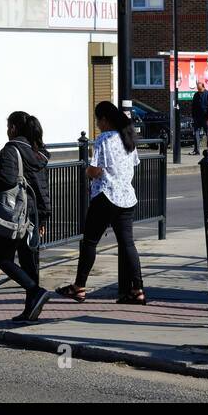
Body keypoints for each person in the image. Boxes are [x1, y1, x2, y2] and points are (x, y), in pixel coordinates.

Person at [56, 101, 146, 308]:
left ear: (104, 119)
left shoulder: (104, 139)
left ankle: (79, 287)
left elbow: (96, 170)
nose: (97, 125)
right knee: (127, 244)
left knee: (89, 242)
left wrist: (87, 172)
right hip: (126, 197)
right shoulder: (128, 138)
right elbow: (133, 165)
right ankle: (137, 289)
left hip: (106, 195)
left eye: (97, 120)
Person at [0, 111, 53, 322]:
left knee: (5, 260)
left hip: (15, 214)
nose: (7, 131)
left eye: (8, 126)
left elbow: (6, 180)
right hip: (34, 214)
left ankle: (35, 292)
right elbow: (42, 187)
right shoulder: (38, 153)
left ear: (14, 128)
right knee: (29, 262)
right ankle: (30, 310)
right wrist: (43, 217)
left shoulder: (11, 150)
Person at [192, 82, 208, 156]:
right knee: (195, 134)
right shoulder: (196, 95)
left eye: (200, 89)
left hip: (206, 118)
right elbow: (193, 106)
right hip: (197, 118)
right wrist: (193, 116)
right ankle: (196, 150)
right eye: (198, 89)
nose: (199, 91)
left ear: (203, 87)